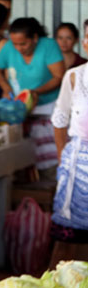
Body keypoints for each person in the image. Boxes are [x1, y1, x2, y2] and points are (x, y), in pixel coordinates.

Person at [0, 18, 65, 178]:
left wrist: (36, 92)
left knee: (49, 156)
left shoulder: (48, 46)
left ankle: (51, 185)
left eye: (23, 44)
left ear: (35, 38)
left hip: (47, 108)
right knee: (19, 154)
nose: (18, 48)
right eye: (15, 44)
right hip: (17, 108)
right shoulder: (9, 47)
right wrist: (6, 88)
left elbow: (59, 76)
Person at [50, 19, 88, 265]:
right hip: (78, 170)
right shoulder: (74, 77)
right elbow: (59, 120)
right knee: (70, 243)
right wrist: (63, 157)